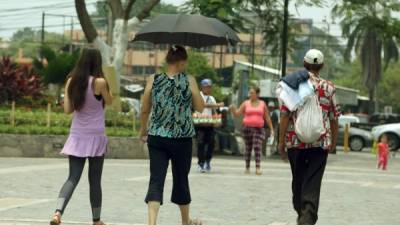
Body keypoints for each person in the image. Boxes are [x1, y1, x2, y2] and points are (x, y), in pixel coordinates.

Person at [139, 45, 204, 225]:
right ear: (181, 62)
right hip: (182, 139)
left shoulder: (153, 79)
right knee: (181, 179)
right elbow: (200, 107)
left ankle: (152, 223)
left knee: (156, 179)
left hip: (157, 137)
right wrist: (193, 90)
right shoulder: (189, 80)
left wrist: (143, 129)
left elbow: (145, 109)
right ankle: (185, 221)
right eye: (185, 63)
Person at [50, 47, 113, 225]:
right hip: (96, 137)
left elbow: (68, 110)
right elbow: (110, 102)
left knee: (72, 177)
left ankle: (57, 213)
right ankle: (96, 220)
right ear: (97, 62)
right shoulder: (100, 82)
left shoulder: (71, 81)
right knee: (95, 180)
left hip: (77, 136)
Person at [278, 49, 340, 225]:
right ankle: (307, 217)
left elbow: (284, 115)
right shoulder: (329, 88)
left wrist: (281, 142)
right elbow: (334, 118)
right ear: (321, 66)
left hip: (294, 143)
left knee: (298, 180)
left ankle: (303, 214)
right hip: (320, 144)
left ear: (304, 64)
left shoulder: (292, 85)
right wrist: (333, 142)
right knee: (312, 182)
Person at [230, 87, 274, 175]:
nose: (250, 95)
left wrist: (271, 128)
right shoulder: (246, 103)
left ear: (257, 94)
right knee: (248, 148)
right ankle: (247, 167)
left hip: (258, 129)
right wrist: (233, 109)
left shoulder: (262, 104)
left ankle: (258, 168)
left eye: (252, 93)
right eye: (250, 93)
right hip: (247, 128)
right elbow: (237, 113)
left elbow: (267, 117)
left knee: (257, 146)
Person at [195, 79, 223, 173]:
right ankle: (200, 163)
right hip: (200, 124)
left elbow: (214, 110)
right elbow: (202, 105)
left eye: (210, 87)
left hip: (210, 124)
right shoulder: (198, 96)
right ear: (202, 87)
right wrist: (217, 104)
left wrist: (217, 120)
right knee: (201, 144)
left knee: (211, 144)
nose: (209, 89)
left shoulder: (212, 98)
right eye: (207, 87)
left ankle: (207, 161)